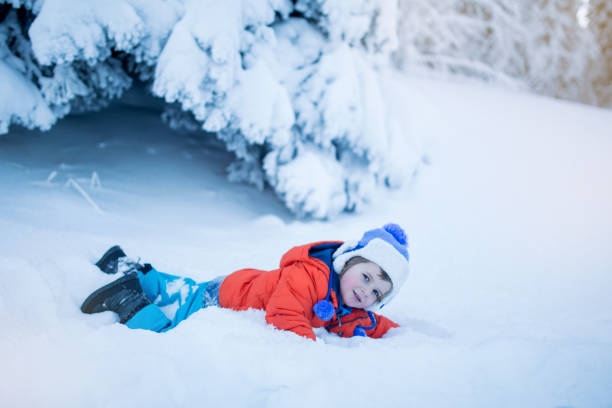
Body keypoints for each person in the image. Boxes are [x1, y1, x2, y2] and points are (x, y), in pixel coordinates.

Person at [81, 223, 410, 340]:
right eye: (366, 276)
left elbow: (365, 322)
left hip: (235, 285)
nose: (366, 291)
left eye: (377, 292)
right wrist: (310, 353)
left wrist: (393, 330)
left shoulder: (345, 299)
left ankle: (131, 268)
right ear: (345, 262)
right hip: (226, 300)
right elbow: (284, 316)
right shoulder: (310, 275)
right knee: (171, 334)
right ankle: (129, 301)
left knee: (182, 290)